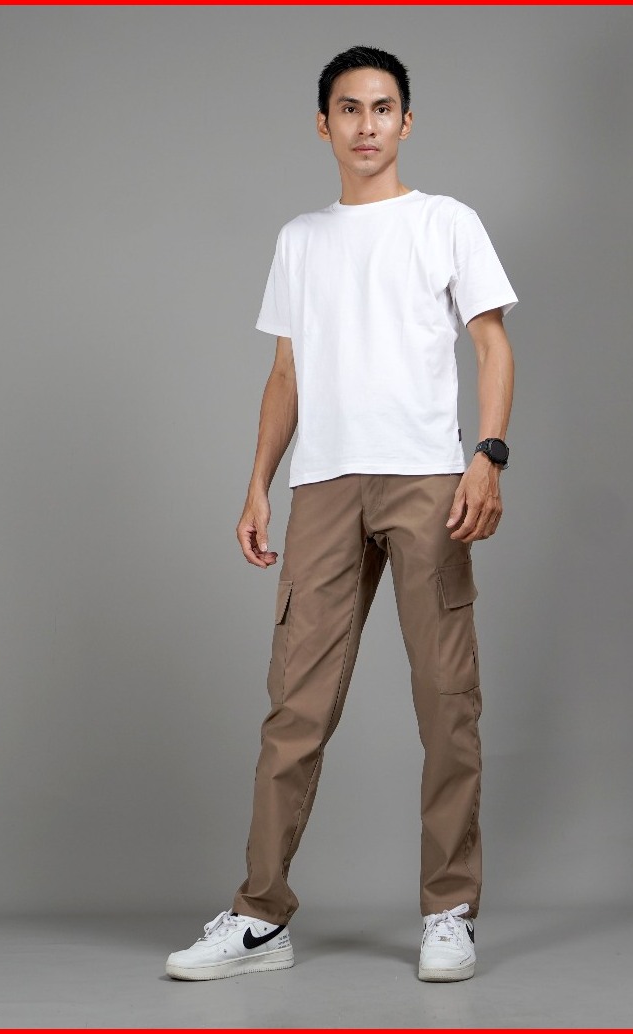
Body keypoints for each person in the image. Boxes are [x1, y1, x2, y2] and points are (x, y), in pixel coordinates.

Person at [166, 44, 517, 984]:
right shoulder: (301, 239)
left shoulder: (445, 222)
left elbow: (492, 346)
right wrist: (258, 482)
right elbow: (285, 372)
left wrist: (487, 454)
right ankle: (259, 918)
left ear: (407, 121)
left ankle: (449, 910)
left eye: (383, 107)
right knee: (296, 708)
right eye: (350, 109)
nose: (367, 124)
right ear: (323, 125)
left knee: (447, 703)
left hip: (427, 480)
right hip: (323, 485)